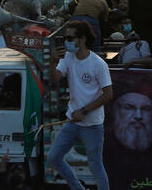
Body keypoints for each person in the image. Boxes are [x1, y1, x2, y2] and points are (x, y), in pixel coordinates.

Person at [48, 21, 112, 190]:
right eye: (65, 38)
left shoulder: (98, 64)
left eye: (70, 38)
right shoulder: (68, 58)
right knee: (54, 158)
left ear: (82, 39)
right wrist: (53, 61)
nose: (66, 41)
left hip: (92, 124)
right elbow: (54, 80)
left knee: (96, 166)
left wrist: (84, 111)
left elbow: (108, 94)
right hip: (72, 122)